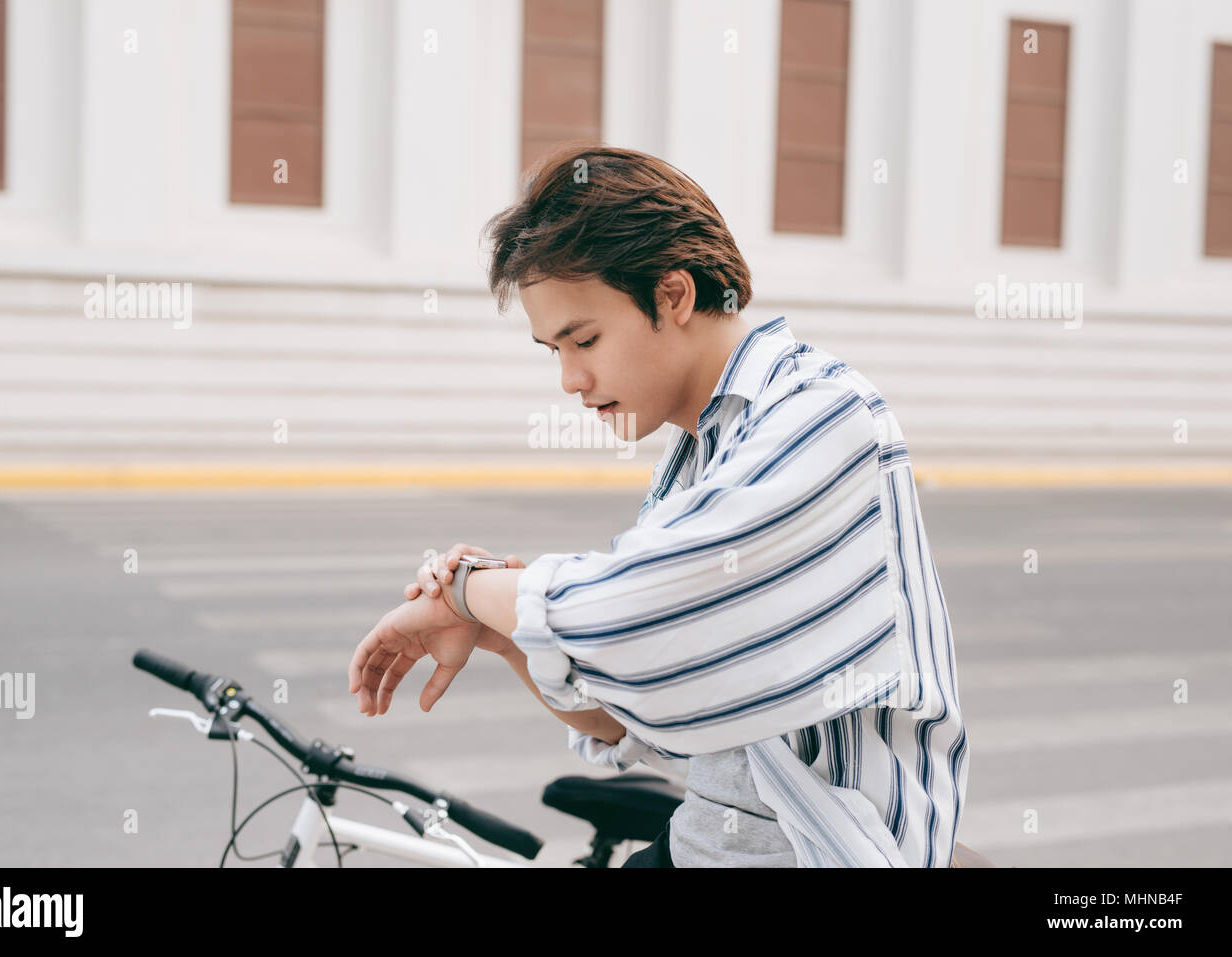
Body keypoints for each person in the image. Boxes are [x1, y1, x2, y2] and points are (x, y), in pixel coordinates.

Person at [349, 144, 968, 867]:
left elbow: (629, 612)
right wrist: (504, 637)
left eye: (584, 338)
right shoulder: (695, 456)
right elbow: (634, 717)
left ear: (672, 296)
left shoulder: (822, 416)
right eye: (553, 349)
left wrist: (466, 587)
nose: (571, 379)